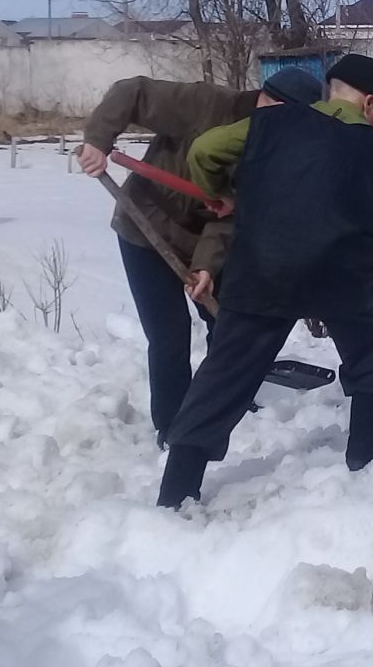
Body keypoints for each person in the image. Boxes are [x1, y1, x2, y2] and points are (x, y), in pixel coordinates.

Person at [154, 54, 373, 508]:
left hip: (262, 272)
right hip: (343, 280)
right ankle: (366, 453)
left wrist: (224, 195)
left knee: (224, 376)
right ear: (370, 104)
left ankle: (177, 492)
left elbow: (203, 152)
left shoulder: (270, 123)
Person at [76, 66, 322, 441]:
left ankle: (220, 401)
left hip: (201, 241)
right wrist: (98, 139)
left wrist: (206, 265)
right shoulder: (205, 105)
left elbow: (230, 217)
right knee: (169, 335)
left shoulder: (272, 151)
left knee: (226, 325)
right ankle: (172, 425)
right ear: (268, 101)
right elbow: (133, 92)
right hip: (145, 230)